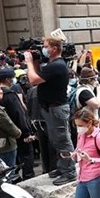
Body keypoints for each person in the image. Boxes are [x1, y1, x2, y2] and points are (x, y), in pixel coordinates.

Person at [25, 36, 74, 186]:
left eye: (46, 46)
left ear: (54, 48)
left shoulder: (57, 65)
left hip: (56, 109)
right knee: (55, 140)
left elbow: (33, 80)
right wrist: (35, 61)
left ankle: (70, 172)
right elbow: (40, 75)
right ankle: (62, 167)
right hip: (51, 108)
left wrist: (28, 62)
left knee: (62, 140)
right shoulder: (53, 64)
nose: (43, 49)